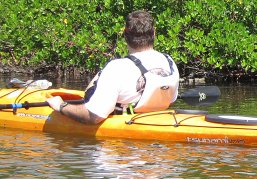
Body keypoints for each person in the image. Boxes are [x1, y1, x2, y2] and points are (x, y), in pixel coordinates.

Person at [47, 10, 180, 124]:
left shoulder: (117, 68)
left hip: (121, 145)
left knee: (100, 76)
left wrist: (61, 106)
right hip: (156, 125)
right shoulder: (169, 61)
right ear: (154, 34)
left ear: (125, 36)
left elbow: (94, 117)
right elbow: (171, 101)